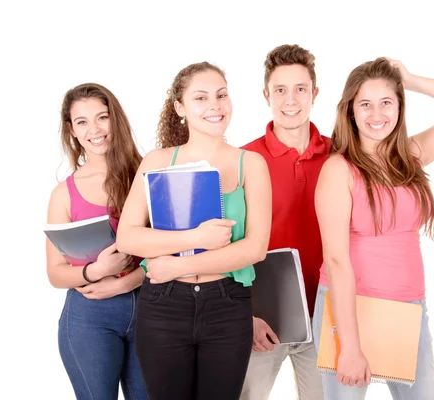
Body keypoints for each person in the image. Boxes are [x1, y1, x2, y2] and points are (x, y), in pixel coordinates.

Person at [313, 57, 434, 399]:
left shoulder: (411, 155)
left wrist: (410, 80)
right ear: (351, 111)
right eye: (365, 104)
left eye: (386, 103)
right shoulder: (338, 170)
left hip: (408, 308)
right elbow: (335, 260)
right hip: (348, 309)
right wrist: (350, 346)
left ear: (399, 107)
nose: (376, 115)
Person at [116, 61, 272, 400]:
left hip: (228, 305)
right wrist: (196, 239)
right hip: (164, 306)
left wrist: (178, 264)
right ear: (180, 108)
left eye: (221, 95)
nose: (215, 105)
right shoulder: (157, 162)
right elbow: (127, 237)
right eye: (200, 98)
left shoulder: (252, 164)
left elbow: (255, 248)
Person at [45, 83, 148, 400]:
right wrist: (96, 270)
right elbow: (55, 273)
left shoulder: (145, 174)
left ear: (115, 119)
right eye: (82, 122)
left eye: (102, 117)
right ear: (71, 130)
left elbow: (171, 248)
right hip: (88, 317)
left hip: (150, 308)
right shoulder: (64, 194)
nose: (95, 129)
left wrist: (123, 282)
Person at [240, 44, 328, 400]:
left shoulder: (339, 156)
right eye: (280, 90)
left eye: (300, 89)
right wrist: (243, 315)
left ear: (314, 94)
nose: (290, 100)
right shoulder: (244, 159)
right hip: (261, 321)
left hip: (325, 317)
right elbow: (224, 244)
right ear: (266, 95)